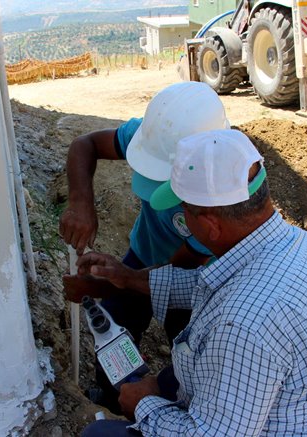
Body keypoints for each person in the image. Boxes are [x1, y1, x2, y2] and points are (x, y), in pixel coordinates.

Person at [72, 129, 307, 436]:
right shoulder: (304, 246)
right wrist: (128, 278)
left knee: (97, 435)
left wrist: (144, 405)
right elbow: (207, 285)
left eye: (184, 212)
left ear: (209, 226)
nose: (183, 219)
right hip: (289, 412)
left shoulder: (244, 325)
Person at [59, 82, 230, 411]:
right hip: (143, 255)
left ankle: (170, 410)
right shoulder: (156, 137)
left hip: (193, 283)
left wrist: (103, 285)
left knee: (185, 353)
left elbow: (176, 273)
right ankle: (113, 402)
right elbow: (85, 144)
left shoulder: (216, 202)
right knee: (115, 330)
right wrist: (81, 203)